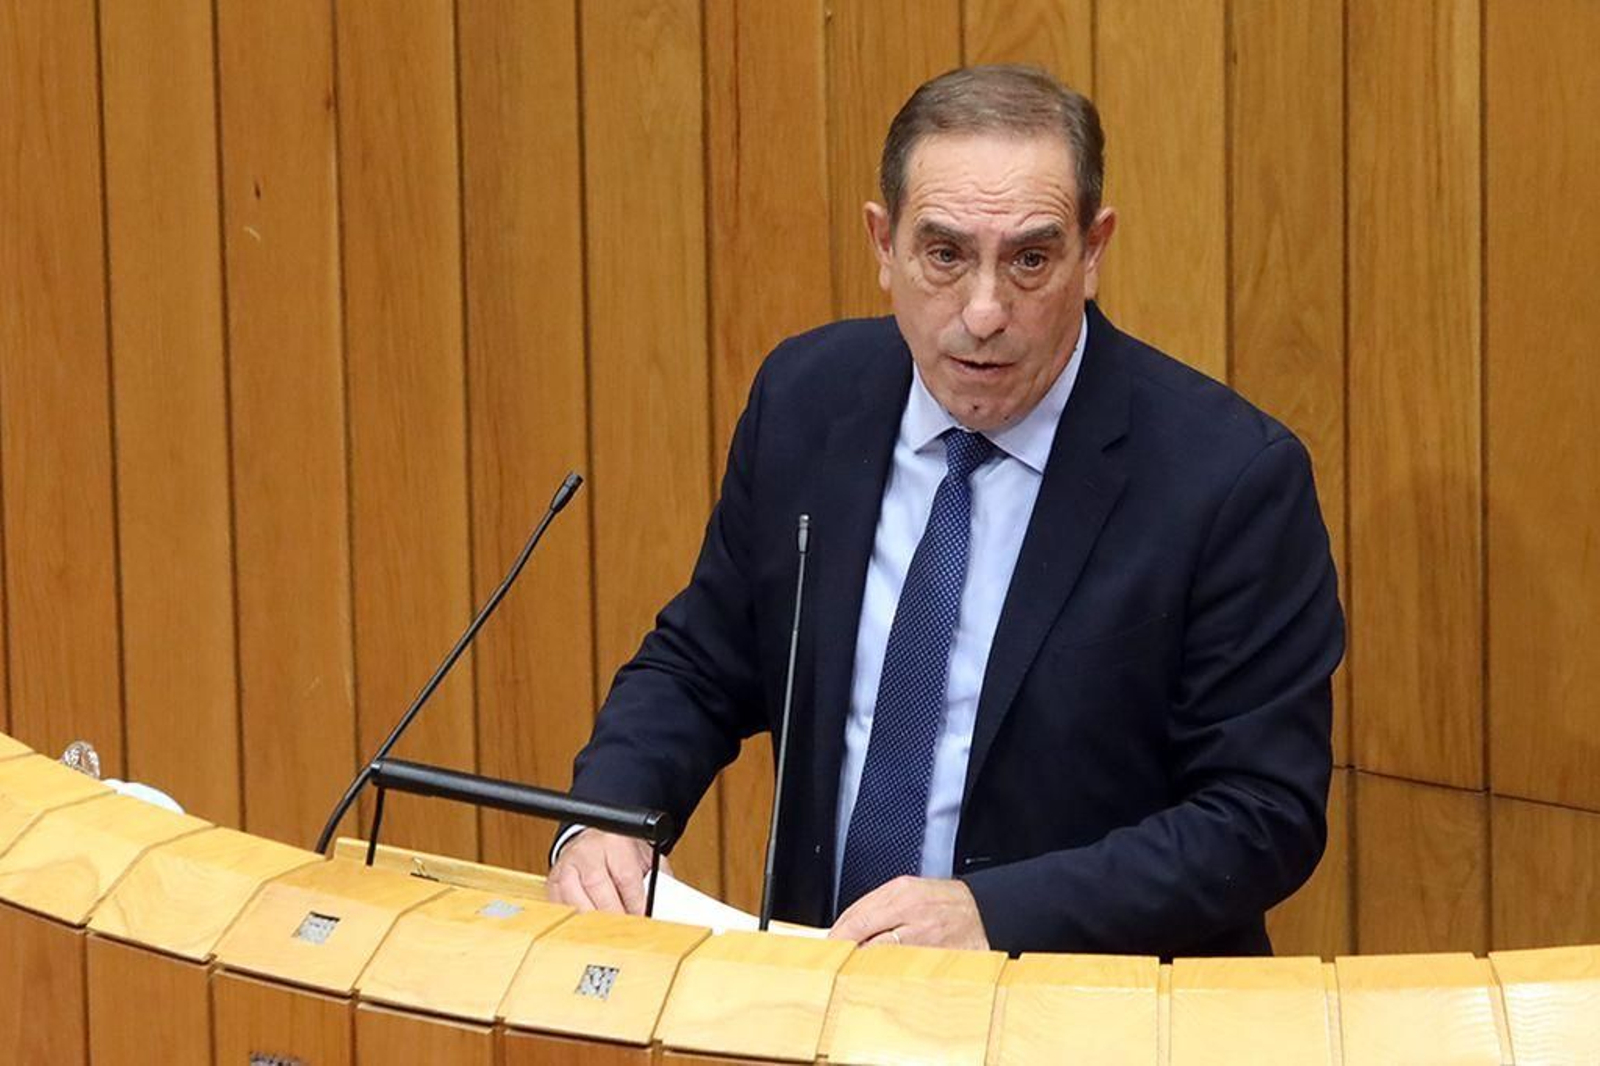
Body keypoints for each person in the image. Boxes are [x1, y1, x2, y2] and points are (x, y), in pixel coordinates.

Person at [547, 65, 1343, 958]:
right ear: (884, 245)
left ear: (1094, 251)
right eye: (946, 254)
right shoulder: (809, 400)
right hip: (824, 1003)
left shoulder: (1228, 479)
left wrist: (994, 914)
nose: (985, 311)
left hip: (1088, 1017)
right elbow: (702, 663)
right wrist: (605, 819)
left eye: (1031, 259)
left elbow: (1258, 815)